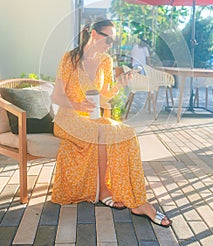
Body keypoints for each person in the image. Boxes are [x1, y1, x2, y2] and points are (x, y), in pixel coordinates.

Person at [51, 19, 172, 227]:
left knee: (127, 132)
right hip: (68, 118)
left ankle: (137, 200)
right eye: (108, 39)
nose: (110, 45)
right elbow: (56, 97)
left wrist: (119, 85)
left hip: (92, 119)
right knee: (101, 132)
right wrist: (77, 104)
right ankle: (104, 191)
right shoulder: (70, 59)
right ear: (95, 35)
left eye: (112, 41)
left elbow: (105, 96)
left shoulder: (106, 61)